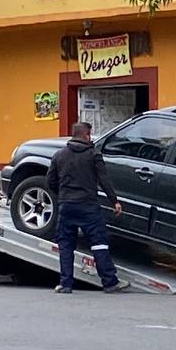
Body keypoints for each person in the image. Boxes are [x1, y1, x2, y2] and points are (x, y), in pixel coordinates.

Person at [47, 122, 129, 294]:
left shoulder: (59, 155)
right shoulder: (94, 155)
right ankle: (109, 282)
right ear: (85, 135)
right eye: (89, 134)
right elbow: (104, 180)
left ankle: (65, 284)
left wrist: (63, 195)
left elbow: (51, 182)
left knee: (66, 245)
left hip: (66, 206)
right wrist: (114, 201)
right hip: (88, 206)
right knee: (99, 243)